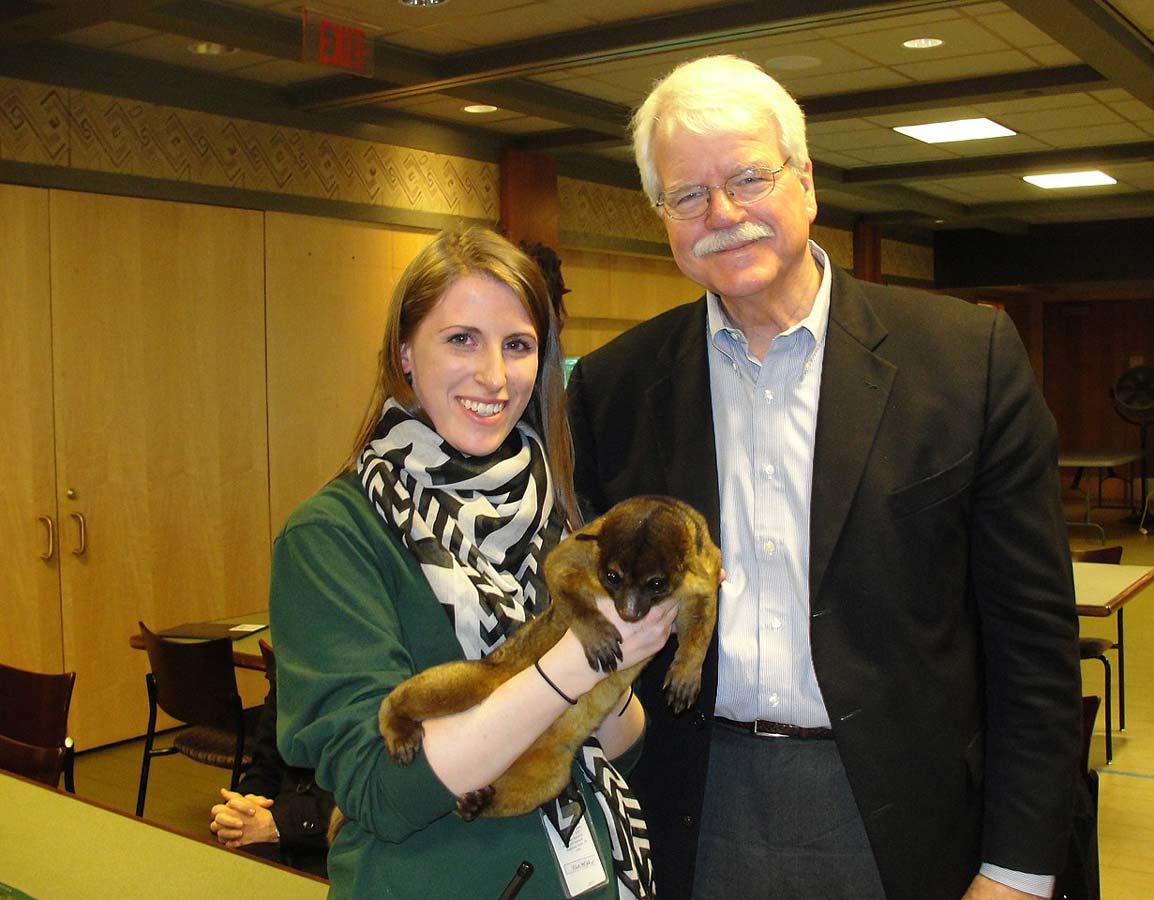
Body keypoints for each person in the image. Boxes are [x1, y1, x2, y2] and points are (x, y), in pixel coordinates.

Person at [566, 55, 1082, 900]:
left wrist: (1016, 870)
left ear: (805, 180)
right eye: (687, 195)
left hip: (900, 814)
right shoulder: (615, 386)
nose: (722, 214)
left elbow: (1035, 648)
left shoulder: (964, 360)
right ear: (663, 216)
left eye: (747, 177)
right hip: (690, 809)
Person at [269, 227, 674, 900]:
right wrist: (582, 658)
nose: (494, 375)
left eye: (517, 345)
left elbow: (624, 749)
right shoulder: (331, 535)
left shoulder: (555, 511)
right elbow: (383, 787)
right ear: (405, 352)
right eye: (461, 339)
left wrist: (638, 637)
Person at [208, 650, 335, 878]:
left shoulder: (395, 680)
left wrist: (277, 824)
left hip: (343, 843)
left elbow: (376, 798)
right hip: (288, 827)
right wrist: (238, 810)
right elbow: (266, 766)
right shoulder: (293, 664)